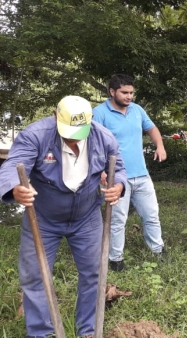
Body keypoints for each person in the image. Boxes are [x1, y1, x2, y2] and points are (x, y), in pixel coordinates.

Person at [0, 96, 126, 337]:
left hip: (87, 217)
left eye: (81, 131)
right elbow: (13, 164)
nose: (75, 137)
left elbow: (118, 168)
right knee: (36, 276)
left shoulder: (104, 138)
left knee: (94, 272)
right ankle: (40, 332)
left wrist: (118, 184)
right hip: (43, 218)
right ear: (55, 116)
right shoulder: (36, 135)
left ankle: (87, 330)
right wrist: (15, 187)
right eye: (69, 131)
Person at [92, 74, 166, 272]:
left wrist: (159, 145)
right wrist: (100, 170)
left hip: (141, 174)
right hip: (114, 177)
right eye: (124, 92)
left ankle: (158, 250)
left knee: (151, 215)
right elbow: (92, 144)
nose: (129, 97)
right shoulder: (99, 113)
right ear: (112, 92)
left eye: (131, 93)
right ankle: (116, 259)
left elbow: (151, 128)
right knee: (117, 219)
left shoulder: (137, 110)